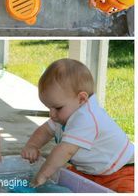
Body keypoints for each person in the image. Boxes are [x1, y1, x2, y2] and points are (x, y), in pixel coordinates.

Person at [21, 58, 134, 192]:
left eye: (57, 108)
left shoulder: (86, 118)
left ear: (81, 99)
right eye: (48, 108)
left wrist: (41, 176)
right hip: (89, 171)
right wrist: (32, 146)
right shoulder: (64, 114)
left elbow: (65, 150)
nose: (52, 114)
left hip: (120, 171)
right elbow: (45, 130)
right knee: (66, 182)